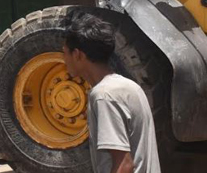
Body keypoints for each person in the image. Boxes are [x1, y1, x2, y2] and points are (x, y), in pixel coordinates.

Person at [61, 12, 161, 173]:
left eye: (65, 52)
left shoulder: (104, 96)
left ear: (77, 54)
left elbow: (124, 165)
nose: (64, 59)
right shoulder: (129, 86)